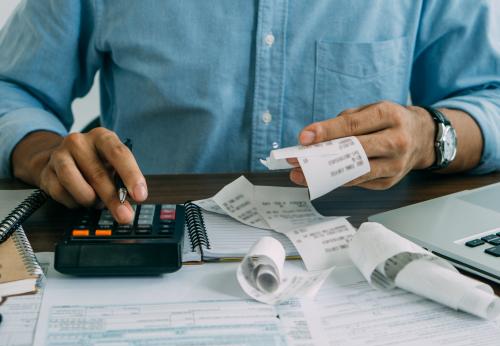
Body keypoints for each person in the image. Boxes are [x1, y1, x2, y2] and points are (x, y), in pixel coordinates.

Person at [1, 1, 499, 224]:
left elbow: (489, 98)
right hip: (151, 244)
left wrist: (432, 135)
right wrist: (45, 153)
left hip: (360, 259)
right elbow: (12, 92)